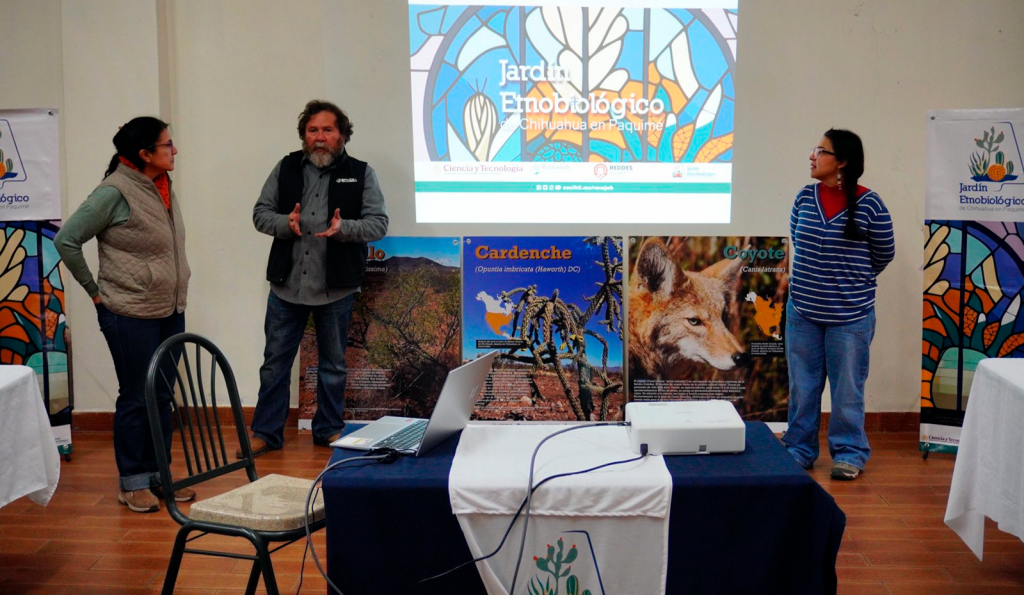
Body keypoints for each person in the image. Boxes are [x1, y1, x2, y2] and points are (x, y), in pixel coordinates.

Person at [55, 117, 192, 512]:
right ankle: (132, 483)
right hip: (128, 311)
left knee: (162, 395)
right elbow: (67, 239)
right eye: (167, 145)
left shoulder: (161, 184)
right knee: (136, 396)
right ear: (145, 154)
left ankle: (158, 474)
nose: (175, 150)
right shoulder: (114, 191)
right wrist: (95, 293)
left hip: (168, 307)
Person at [242, 100, 388, 458]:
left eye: (327, 130)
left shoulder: (362, 173)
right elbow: (260, 214)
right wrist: (284, 223)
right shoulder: (286, 167)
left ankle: (327, 429)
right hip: (286, 287)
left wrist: (344, 228)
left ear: (342, 135)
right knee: (275, 364)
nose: (319, 137)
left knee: (333, 365)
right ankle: (266, 433)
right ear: (304, 135)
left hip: (335, 288)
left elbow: (378, 224)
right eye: (312, 130)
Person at [782, 129, 895, 480]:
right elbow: (798, 239)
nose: (812, 156)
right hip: (803, 312)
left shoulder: (870, 204)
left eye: (821, 150)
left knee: (847, 391)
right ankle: (799, 449)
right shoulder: (805, 197)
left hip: (850, 316)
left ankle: (849, 453)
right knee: (802, 387)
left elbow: (884, 254)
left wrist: (849, 283)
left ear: (842, 161)